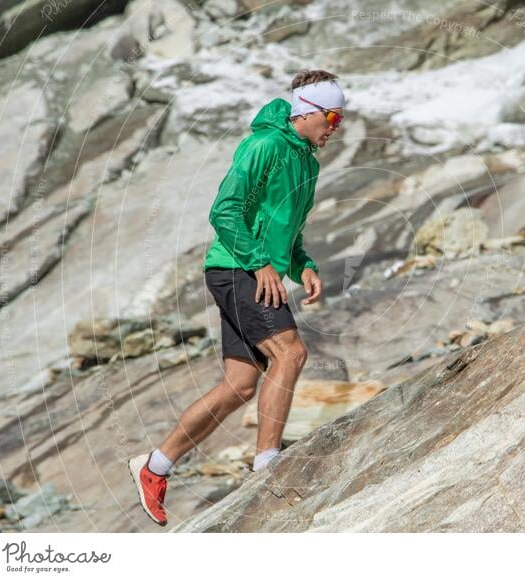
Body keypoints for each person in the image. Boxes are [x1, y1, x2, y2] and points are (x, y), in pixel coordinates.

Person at [128, 69, 345, 526]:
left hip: (253, 267)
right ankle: (267, 468)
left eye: (339, 118)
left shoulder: (307, 160)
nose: (335, 126)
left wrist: (302, 264)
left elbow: (289, 229)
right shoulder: (264, 145)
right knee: (291, 353)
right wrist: (259, 262)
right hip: (235, 266)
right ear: (306, 112)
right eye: (331, 116)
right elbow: (224, 210)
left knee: (241, 385)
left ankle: (154, 467)